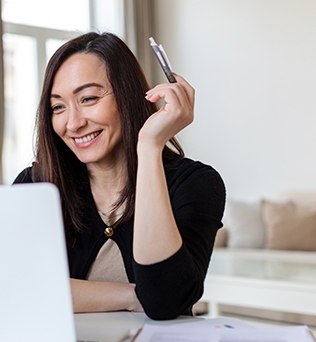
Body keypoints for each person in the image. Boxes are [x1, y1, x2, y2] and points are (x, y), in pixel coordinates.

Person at [13, 32, 225, 320]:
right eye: (58, 107)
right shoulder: (37, 185)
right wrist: (131, 295)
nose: (73, 123)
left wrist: (150, 147)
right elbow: (15, 287)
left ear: (127, 96)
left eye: (88, 98)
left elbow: (165, 300)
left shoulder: (196, 183)